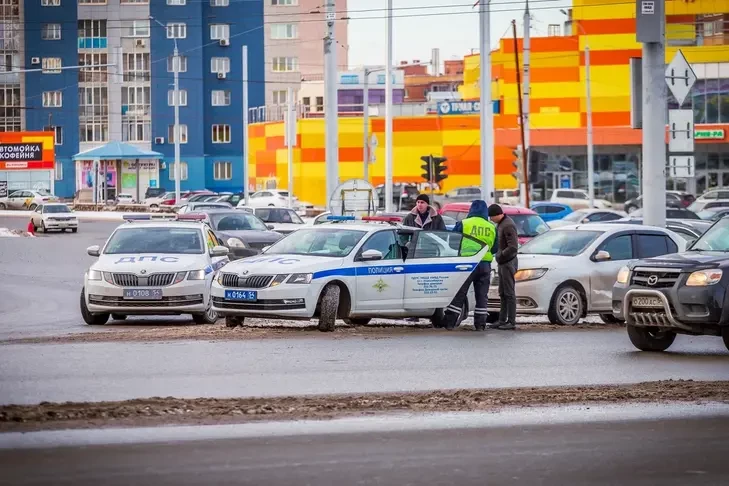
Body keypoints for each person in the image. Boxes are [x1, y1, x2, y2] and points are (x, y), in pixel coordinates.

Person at [441, 200, 496, 331]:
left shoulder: (464, 224)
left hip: (467, 264)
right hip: (485, 264)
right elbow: (495, 248)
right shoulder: (491, 226)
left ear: (471, 210)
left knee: (460, 293)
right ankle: (480, 324)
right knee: (482, 295)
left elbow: (452, 242)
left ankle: (450, 322)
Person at [488, 204, 519, 330]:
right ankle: (502, 320)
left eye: (492, 216)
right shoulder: (501, 224)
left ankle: (511, 321)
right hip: (503, 263)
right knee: (502, 293)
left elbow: (513, 247)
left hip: (508, 263)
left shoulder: (507, 225)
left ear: (498, 214)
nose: (491, 219)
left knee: (509, 293)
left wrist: (501, 255)